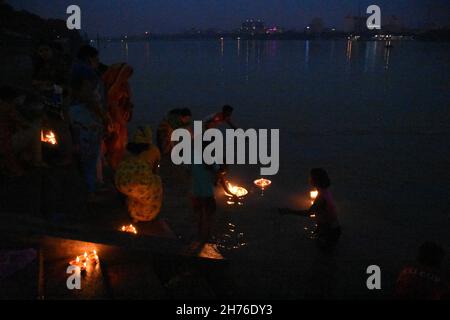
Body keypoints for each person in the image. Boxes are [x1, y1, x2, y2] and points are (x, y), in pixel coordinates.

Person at [279, 168, 341, 248]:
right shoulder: (325, 191)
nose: (309, 179)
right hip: (331, 228)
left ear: (316, 180)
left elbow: (309, 213)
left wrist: (289, 211)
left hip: (329, 231)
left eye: (311, 177)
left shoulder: (321, 197)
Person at [115, 126, 163, 223]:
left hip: (122, 182)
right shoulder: (154, 150)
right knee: (155, 185)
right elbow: (155, 171)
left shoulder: (126, 148)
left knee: (131, 193)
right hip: (141, 182)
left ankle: (129, 212)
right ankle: (145, 216)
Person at [102, 63, 134, 170]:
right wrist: (120, 120)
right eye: (125, 75)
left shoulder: (125, 86)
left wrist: (128, 110)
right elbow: (110, 104)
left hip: (121, 116)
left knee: (121, 142)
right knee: (114, 142)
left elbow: (128, 102)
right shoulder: (110, 88)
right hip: (113, 118)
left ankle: (117, 164)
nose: (126, 78)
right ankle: (112, 165)